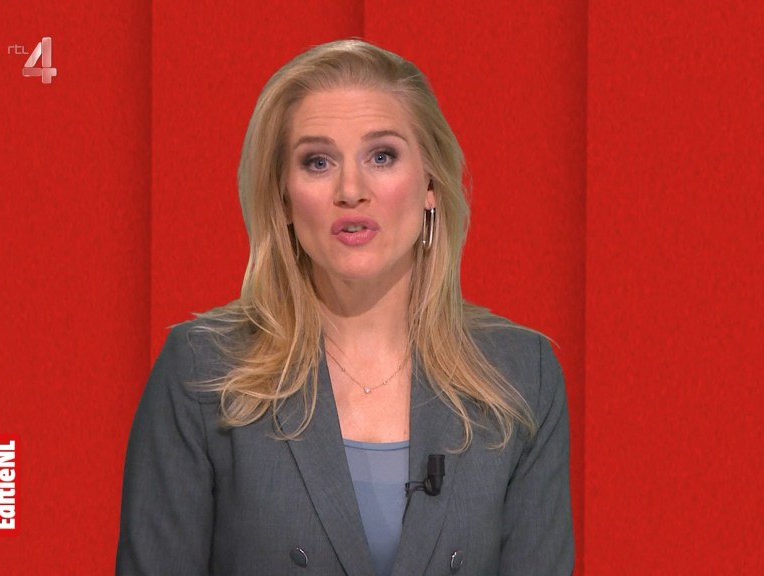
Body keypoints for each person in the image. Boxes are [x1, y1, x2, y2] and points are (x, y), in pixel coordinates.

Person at [116, 39, 573, 576]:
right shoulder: (203, 372)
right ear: (284, 197)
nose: (351, 190)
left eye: (382, 156)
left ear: (430, 183)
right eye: (318, 162)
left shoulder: (521, 377)